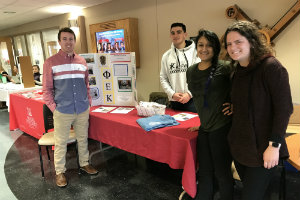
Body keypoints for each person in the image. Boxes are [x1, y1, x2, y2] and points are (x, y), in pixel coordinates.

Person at [223, 21, 293, 200]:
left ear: (251, 41)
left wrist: (274, 146)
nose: (233, 47)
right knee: (258, 193)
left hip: (264, 149)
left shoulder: (271, 67)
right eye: (229, 44)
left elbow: (284, 109)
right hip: (241, 148)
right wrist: (234, 107)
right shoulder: (237, 70)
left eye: (238, 41)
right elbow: (248, 101)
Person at [43, 27, 98, 188]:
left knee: (82, 139)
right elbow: (46, 90)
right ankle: (60, 172)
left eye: (71, 39)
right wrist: (55, 109)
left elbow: (86, 84)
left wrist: (88, 102)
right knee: (60, 142)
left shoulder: (81, 62)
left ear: (75, 41)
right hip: (63, 111)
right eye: (65, 39)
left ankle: (84, 163)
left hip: (82, 108)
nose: (68, 42)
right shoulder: (50, 62)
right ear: (60, 42)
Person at [186, 29, 233, 200]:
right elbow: (200, 98)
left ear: (216, 48)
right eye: (200, 45)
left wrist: (235, 105)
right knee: (205, 169)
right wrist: (202, 122)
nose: (204, 49)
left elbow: (243, 90)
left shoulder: (226, 68)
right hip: (205, 127)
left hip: (221, 126)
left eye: (209, 45)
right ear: (196, 47)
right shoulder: (191, 71)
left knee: (222, 171)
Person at [160, 22, 200, 114]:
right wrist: (172, 94)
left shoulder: (196, 53)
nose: (175, 35)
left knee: (192, 127)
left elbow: (200, 77)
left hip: (193, 100)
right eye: (173, 33)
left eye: (179, 32)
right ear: (170, 35)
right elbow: (163, 78)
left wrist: (189, 94)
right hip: (175, 101)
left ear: (185, 34)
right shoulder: (166, 56)